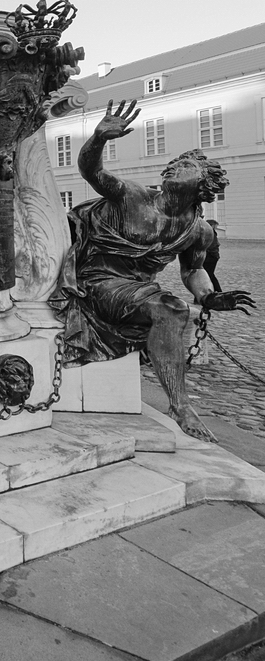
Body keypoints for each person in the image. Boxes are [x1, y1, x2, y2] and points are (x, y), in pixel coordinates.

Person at [50, 101, 255, 442]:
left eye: (186, 165)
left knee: (170, 307)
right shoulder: (133, 197)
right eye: (174, 164)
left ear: (203, 185)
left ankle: (179, 404)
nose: (173, 167)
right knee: (170, 308)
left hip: (134, 291)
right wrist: (99, 138)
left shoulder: (199, 231)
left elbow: (193, 269)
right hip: (96, 281)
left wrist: (208, 296)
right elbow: (92, 173)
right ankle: (180, 405)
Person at [204, 219, 222, 291]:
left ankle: (217, 290)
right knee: (209, 274)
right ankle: (217, 290)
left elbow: (212, 245)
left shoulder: (210, 233)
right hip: (211, 256)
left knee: (208, 275)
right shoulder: (210, 233)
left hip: (211, 256)